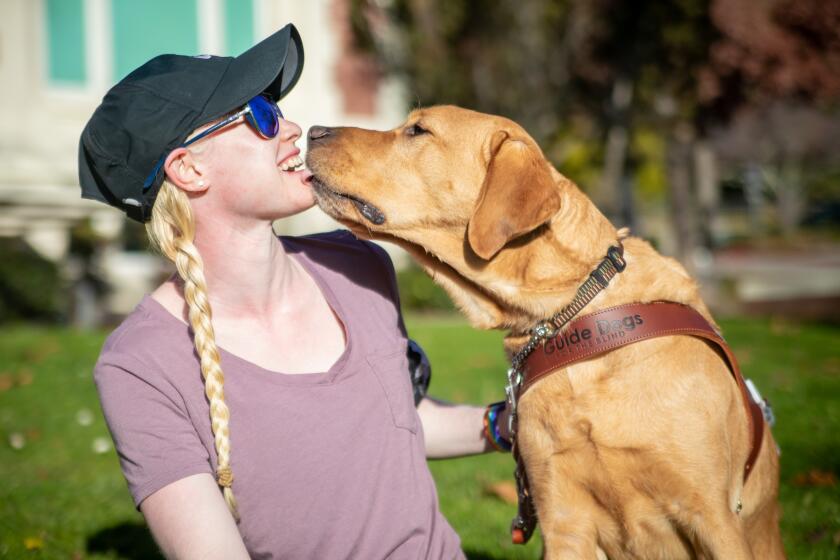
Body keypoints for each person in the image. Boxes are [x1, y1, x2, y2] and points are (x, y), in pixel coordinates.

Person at [78, 24, 512, 560]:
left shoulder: (360, 264)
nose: (293, 129)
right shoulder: (140, 364)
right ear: (188, 169)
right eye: (260, 116)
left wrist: (504, 424)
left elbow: (389, 424)